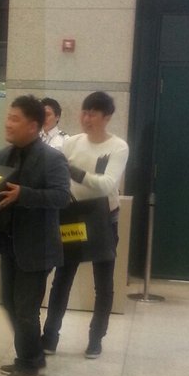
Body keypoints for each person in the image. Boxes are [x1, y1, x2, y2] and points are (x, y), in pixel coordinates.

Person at [0, 95, 70, 376]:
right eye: (8, 117)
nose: (8, 123)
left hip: (36, 247)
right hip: (7, 243)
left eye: (15, 119)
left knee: (25, 309)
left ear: (33, 126)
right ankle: (34, 355)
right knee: (9, 301)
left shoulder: (52, 158)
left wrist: (24, 194)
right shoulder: (2, 156)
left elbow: (61, 196)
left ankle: (29, 364)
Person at [42, 91, 129, 359]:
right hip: (73, 215)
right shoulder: (73, 142)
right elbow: (59, 176)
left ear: (107, 117)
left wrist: (75, 172)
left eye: (93, 114)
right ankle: (50, 337)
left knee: (103, 283)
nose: (86, 118)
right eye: (84, 112)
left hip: (104, 219)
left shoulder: (118, 147)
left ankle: (95, 339)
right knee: (62, 278)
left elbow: (107, 184)